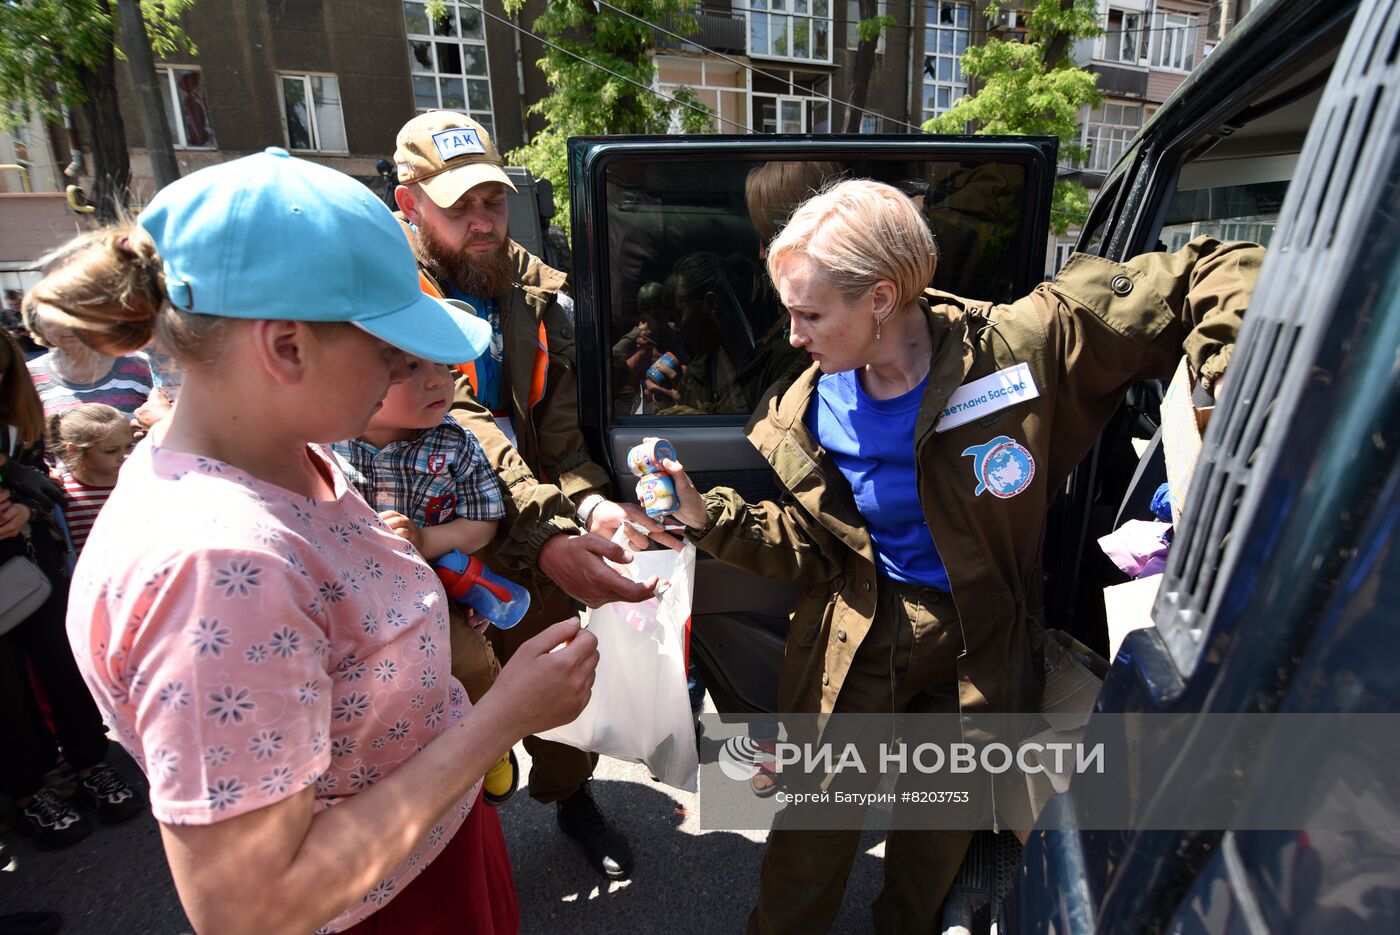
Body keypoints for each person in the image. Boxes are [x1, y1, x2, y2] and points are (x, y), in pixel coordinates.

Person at [658, 179, 1261, 933]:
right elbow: (816, 545)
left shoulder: (1025, 345)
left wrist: (1231, 376)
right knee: (810, 835)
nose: (792, 337)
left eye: (809, 314)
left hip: (979, 648)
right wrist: (704, 515)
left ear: (880, 298)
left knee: (936, 836)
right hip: (858, 637)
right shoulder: (810, 406)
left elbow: (1213, 267)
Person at [38, 148, 597, 934]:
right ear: (287, 346)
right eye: (390, 350)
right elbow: (256, 908)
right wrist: (501, 720)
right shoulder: (215, 566)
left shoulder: (294, 451)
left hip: (426, 852)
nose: (409, 369)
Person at [392, 110, 669, 880]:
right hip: (412, 540)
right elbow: (464, 414)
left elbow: (558, 433)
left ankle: (572, 795)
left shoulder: (534, 288)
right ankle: (451, 835)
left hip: (521, 527)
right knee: (433, 706)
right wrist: (553, 529)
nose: (483, 223)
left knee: (560, 680)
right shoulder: (384, 292)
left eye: (493, 201)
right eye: (460, 208)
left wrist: (592, 507)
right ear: (408, 203)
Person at [331, 354, 519, 806]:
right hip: (345, 598)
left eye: (442, 364)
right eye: (411, 367)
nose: (440, 379)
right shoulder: (323, 441)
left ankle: (488, 740)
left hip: (427, 591)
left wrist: (424, 538)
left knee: (469, 664)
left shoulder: (455, 442)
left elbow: (482, 522)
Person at [1, 330, 145, 851]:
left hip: (34, 567)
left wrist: (25, 504)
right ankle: (29, 791)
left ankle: (90, 764)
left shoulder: (21, 418)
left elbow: (42, 480)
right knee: (8, 693)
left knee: (63, 669)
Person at [23, 290, 152, 417]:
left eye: (79, 314)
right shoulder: (29, 375)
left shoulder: (141, 365)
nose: (69, 324)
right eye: (55, 317)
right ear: (37, 325)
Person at [47, 403, 131, 552]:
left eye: (129, 446)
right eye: (111, 451)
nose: (124, 456)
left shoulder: (138, 486)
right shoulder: (63, 493)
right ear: (73, 450)